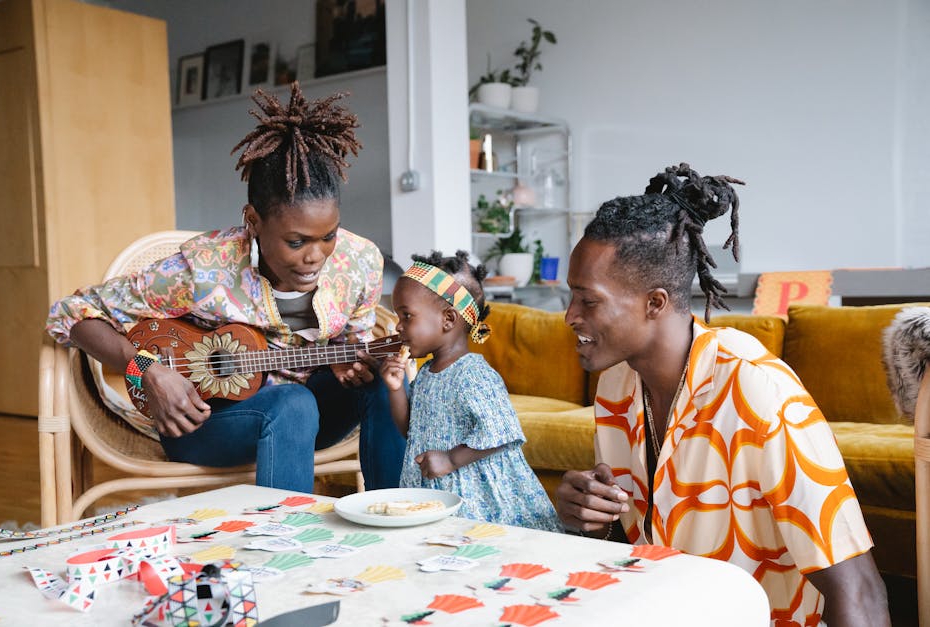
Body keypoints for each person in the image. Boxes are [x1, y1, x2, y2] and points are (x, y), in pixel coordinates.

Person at [555, 164, 889, 626]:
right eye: (570, 298)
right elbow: (638, 547)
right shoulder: (616, 384)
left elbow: (859, 589)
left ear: (655, 303)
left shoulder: (757, 391)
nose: (570, 316)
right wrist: (595, 520)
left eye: (587, 300)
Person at [46, 83, 405, 493]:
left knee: (387, 379)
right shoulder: (203, 270)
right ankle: (282, 543)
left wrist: (346, 362)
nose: (316, 256)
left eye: (328, 235)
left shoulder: (360, 262)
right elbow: (70, 313)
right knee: (291, 403)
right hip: (203, 423)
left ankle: (394, 516)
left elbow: (353, 346)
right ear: (252, 220)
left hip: (312, 419)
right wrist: (146, 370)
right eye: (296, 241)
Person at [378, 250, 561, 532]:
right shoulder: (427, 372)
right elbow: (410, 430)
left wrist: (451, 459)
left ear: (448, 319)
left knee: (481, 546)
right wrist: (395, 389)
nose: (398, 327)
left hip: (475, 493)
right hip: (438, 487)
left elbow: (502, 432)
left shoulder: (473, 374)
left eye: (406, 316)